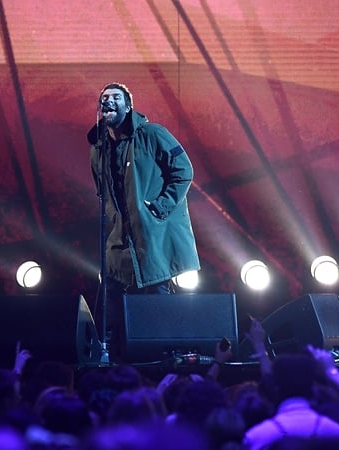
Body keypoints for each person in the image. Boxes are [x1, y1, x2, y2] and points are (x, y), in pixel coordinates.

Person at [86, 82, 200, 360]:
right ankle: (111, 360)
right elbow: (102, 191)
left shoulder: (153, 134)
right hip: (120, 239)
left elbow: (184, 170)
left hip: (153, 236)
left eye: (116, 97)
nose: (108, 101)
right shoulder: (98, 148)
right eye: (104, 98)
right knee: (110, 304)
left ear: (128, 106)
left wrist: (160, 207)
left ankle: (159, 362)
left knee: (155, 302)